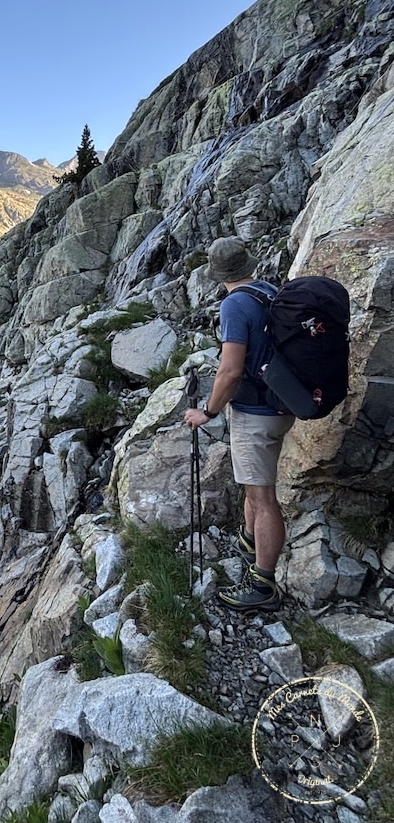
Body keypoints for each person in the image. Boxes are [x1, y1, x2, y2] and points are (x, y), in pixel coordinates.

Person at [184, 237, 295, 611]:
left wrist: (208, 412)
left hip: (256, 414)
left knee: (263, 499)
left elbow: (230, 371)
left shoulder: (234, 305)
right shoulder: (267, 290)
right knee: (253, 491)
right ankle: (249, 543)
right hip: (280, 402)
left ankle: (263, 587)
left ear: (218, 274)